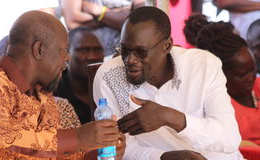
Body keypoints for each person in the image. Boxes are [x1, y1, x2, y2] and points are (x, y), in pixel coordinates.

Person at [0, 11, 124, 159]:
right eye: (63, 51)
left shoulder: (43, 96)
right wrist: (79, 137)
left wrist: (99, 151)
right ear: (39, 50)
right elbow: (3, 144)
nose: (66, 60)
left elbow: (49, 151)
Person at [93, 7, 243, 159]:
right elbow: (119, 149)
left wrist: (170, 117)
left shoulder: (203, 65)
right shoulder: (108, 76)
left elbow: (229, 139)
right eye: (124, 50)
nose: (129, 60)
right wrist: (164, 157)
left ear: (167, 46)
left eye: (141, 52)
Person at [194, 22, 260, 147]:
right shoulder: (213, 106)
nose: (251, 78)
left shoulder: (258, 85)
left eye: (253, 69)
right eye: (242, 75)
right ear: (220, 74)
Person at [55, 26, 104, 124]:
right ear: (66, 55)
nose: (92, 57)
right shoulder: (54, 92)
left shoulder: (110, 87)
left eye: (97, 50)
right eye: (84, 50)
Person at [62, 0, 145, 56]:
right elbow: (72, 22)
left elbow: (137, 20)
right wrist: (116, 15)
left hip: (123, 55)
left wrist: (97, 11)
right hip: (89, 56)